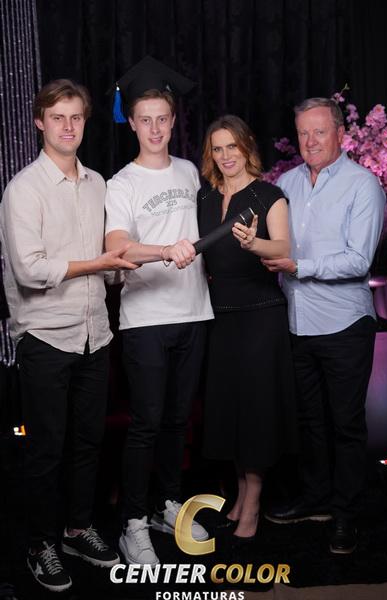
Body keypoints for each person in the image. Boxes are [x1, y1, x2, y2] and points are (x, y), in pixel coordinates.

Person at [0, 79, 136, 592]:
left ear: (85, 122)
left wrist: (135, 262)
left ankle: (77, 529)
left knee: (88, 442)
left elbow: (110, 267)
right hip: (45, 339)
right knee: (45, 450)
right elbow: (30, 270)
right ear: (40, 122)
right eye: (57, 117)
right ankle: (41, 544)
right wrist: (99, 263)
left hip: (94, 335)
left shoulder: (99, 184)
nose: (67, 126)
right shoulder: (23, 189)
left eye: (76, 117)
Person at [263, 97, 386, 554]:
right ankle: (315, 497)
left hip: (344, 324)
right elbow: (272, 242)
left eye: (319, 132)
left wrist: (299, 267)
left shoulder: (363, 184)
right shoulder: (287, 183)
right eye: (303, 133)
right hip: (297, 323)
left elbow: (358, 260)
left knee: (346, 424)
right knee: (309, 421)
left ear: (340, 134)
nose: (310, 141)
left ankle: (345, 513)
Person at [105, 56, 214, 566]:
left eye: (162, 119)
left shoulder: (190, 171)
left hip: (193, 312)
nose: (154, 129)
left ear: (173, 121)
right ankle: (132, 524)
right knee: (146, 423)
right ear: (131, 122)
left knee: (177, 420)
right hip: (146, 320)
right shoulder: (121, 183)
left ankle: (167, 505)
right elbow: (118, 247)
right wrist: (166, 250)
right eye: (144, 119)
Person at [197, 114, 297, 542]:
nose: (226, 156)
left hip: (260, 315)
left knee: (256, 410)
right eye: (217, 148)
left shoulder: (269, 195)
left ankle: (253, 501)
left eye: (232, 147)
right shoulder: (205, 196)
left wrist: (254, 243)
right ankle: (240, 492)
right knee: (232, 409)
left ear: (246, 146)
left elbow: (284, 246)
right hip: (220, 316)